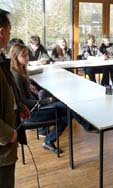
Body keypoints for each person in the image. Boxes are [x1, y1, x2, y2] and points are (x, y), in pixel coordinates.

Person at [10, 43, 68, 154]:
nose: (27, 58)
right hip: (29, 114)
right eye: (24, 56)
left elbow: (31, 76)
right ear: (15, 57)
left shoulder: (21, 70)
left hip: (33, 108)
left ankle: (49, 140)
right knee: (67, 109)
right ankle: (49, 140)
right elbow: (22, 101)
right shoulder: (16, 75)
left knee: (64, 108)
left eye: (27, 55)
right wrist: (46, 101)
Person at [0, 9, 30, 188]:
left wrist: (19, 106)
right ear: (2, 32)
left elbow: (7, 90)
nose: (10, 36)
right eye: (9, 32)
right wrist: (8, 134)